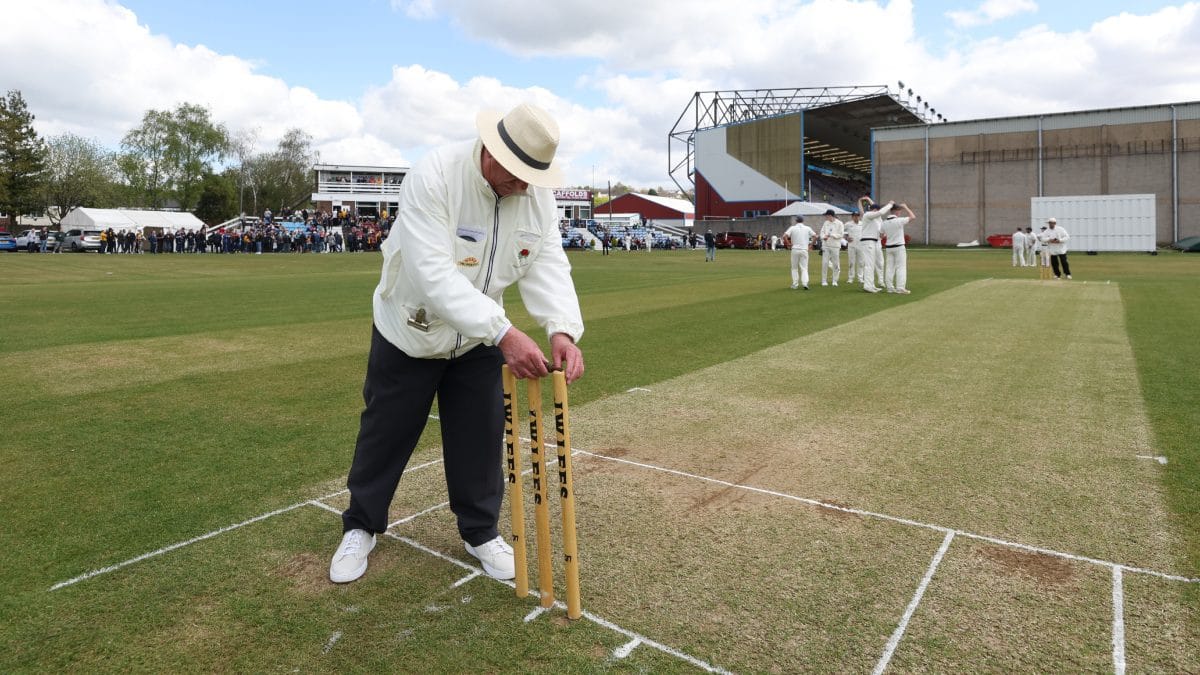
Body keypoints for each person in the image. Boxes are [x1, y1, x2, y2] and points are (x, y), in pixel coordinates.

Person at [329, 103, 586, 585]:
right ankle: (361, 525)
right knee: (386, 433)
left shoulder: (536, 198)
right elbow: (432, 274)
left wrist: (561, 329)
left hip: (476, 338)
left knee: (479, 436)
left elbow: (548, 263)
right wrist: (505, 333)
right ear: (490, 151)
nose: (525, 186)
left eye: (534, 175)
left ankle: (480, 532)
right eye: (518, 174)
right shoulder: (435, 176)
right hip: (410, 327)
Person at [857, 196, 892, 293]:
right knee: (869, 264)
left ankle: (871, 285)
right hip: (868, 241)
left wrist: (882, 234)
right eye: (876, 210)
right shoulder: (868, 215)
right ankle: (868, 286)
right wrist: (890, 205)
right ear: (874, 210)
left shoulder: (877, 219)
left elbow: (881, 227)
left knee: (872, 264)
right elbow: (880, 212)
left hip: (874, 241)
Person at [880, 202, 916, 294]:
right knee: (901, 267)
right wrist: (906, 207)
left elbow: (881, 235)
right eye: (899, 210)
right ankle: (900, 288)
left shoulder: (884, 223)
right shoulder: (899, 220)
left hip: (889, 247)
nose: (900, 212)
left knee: (889, 267)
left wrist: (890, 235)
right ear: (896, 211)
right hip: (899, 247)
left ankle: (889, 288)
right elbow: (913, 217)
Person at [783, 215, 815, 290]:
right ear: (803, 220)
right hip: (804, 249)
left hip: (795, 249)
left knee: (794, 268)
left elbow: (784, 236)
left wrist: (788, 244)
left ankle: (795, 284)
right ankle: (805, 283)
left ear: (796, 221)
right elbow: (815, 236)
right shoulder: (807, 228)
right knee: (804, 268)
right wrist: (811, 245)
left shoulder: (792, 228)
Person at [819, 209, 844, 286]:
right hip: (826, 245)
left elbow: (841, 234)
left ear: (830, 215)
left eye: (826, 215)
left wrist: (832, 235)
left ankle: (834, 281)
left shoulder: (839, 223)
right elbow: (821, 232)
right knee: (825, 263)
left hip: (835, 246)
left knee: (836, 263)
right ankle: (824, 281)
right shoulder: (826, 223)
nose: (826, 217)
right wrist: (823, 237)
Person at [844, 211, 862, 283]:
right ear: (852, 217)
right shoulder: (848, 224)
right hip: (852, 245)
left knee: (861, 262)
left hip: (861, 245)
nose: (856, 217)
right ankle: (850, 278)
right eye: (854, 216)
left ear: (859, 216)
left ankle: (860, 278)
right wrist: (846, 238)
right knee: (851, 262)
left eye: (857, 216)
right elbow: (842, 232)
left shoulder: (862, 224)